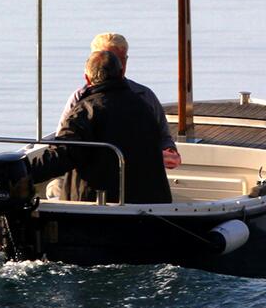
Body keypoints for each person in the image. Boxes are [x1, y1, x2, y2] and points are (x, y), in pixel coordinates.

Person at [27, 50, 173, 204]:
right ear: (122, 72)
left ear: (87, 78)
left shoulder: (85, 111)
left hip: (96, 204)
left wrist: (24, 171)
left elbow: (63, 154)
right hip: (150, 202)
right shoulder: (145, 107)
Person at [59, 33, 181, 170]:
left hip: (137, 174)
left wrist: (170, 151)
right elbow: (64, 143)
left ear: (125, 62)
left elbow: (163, 136)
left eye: (119, 60)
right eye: (106, 60)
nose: (113, 66)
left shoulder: (144, 95)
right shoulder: (78, 99)